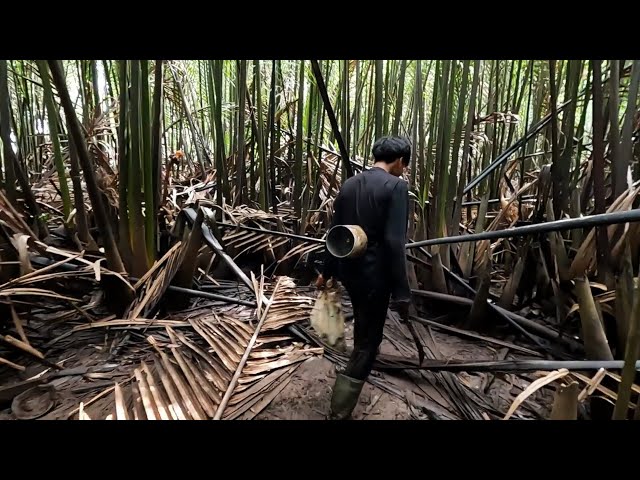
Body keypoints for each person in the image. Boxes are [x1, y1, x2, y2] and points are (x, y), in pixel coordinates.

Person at [316, 135, 413, 420]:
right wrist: (403, 293)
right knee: (370, 344)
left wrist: (327, 271)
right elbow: (395, 243)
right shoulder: (396, 187)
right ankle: (339, 410)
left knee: (362, 329)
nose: (403, 170)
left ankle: (350, 374)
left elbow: (335, 233)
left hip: (351, 274)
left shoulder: (348, 184)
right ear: (398, 161)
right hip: (375, 278)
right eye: (403, 165)